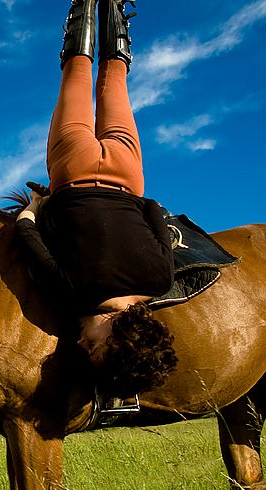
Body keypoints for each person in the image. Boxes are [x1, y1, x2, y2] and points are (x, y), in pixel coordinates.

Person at [15, 0, 177, 398]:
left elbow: (154, 210)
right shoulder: (73, 294)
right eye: (94, 346)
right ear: (118, 333)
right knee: (75, 74)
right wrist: (37, 205)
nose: (82, 344)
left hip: (127, 173)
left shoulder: (161, 279)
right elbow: (25, 235)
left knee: (115, 80)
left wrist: (129, 205)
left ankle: (114, 7)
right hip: (73, 168)